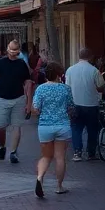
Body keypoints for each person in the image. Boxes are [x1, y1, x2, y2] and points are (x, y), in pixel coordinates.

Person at [32, 62, 73, 198]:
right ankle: (59, 186)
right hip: (62, 125)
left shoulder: (41, 89)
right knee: (60, 157)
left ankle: (39, 177)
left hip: (45, 126)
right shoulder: (65, 89)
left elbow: (36, 108)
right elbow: (71, 106)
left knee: (46, 156)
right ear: (58, 74)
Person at [0, 40, 32, 164]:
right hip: (1, 99)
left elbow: (28, 82)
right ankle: (2, 147)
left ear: (18, 50)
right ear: (7, 49)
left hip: (18, 99)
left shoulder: (22, 64)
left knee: (16, 126)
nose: (13, 52)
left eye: (15, 50)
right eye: (11, 49)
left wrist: (29, 103)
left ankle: (13, 152)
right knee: (0, 127)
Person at [64, 48, 104, 162]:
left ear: (79, 56)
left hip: (75, 104)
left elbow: (67, 87)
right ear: (90, 57)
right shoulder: (94, 70)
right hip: (91, 104)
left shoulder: (70, 70)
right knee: (92, 129)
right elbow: (101, 87)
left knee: (76, 129)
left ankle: (77, 152)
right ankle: (91, 153)